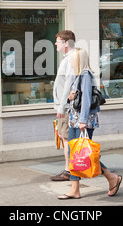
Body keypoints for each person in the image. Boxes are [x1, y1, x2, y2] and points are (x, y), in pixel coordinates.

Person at [58, 48, 122, 199]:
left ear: (79, 60)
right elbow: (76, 98)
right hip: (74, 119)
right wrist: (70, 97)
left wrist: (82, 121)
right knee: (73, 153)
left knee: (86, 154)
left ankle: (112, 178)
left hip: (82, 120)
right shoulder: (78, 75)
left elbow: (86, 100)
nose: (71, 61)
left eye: (73, 59)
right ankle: (75, 190)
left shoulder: (85, 74)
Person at [50, 30, 76, 181]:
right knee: (64, 136)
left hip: (65, 107)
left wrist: (61, 106)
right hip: (64, 105)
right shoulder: (68, 58)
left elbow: (68, 84)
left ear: (66, 43)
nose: (55, 44)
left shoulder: (70, 59)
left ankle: (68, 171)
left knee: (65, 137)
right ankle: (69, 169)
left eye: (58, 41)